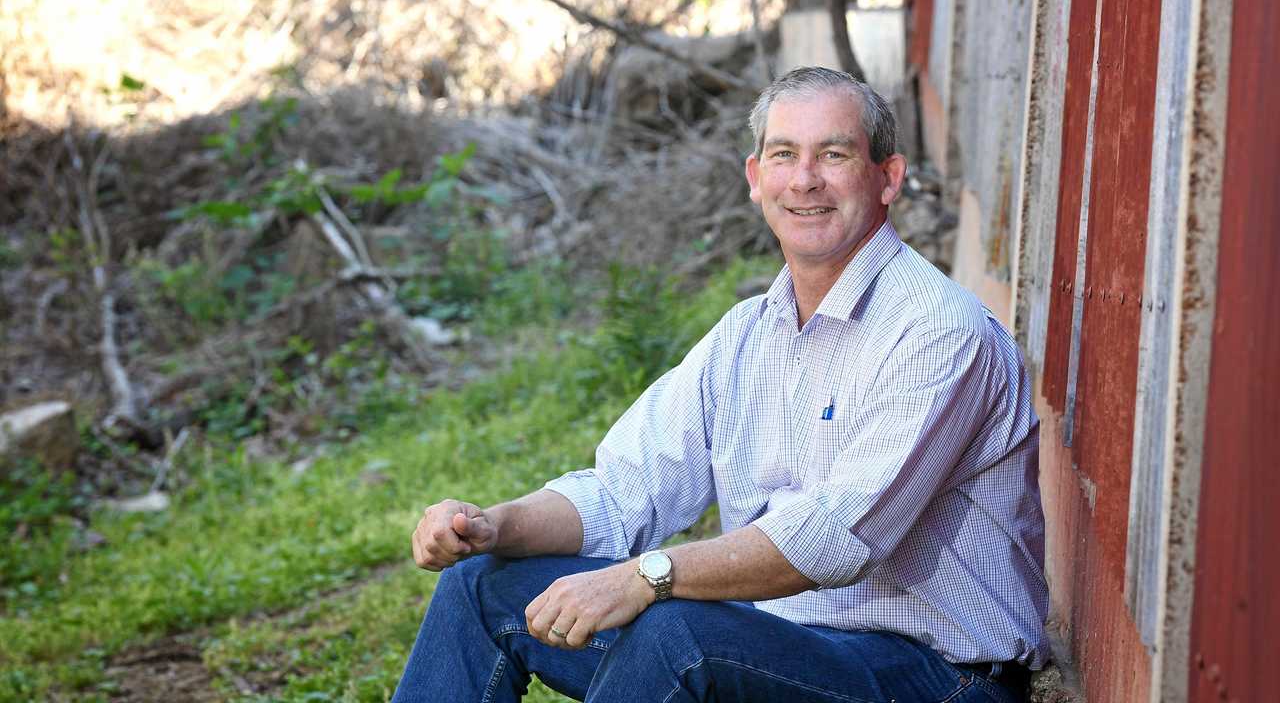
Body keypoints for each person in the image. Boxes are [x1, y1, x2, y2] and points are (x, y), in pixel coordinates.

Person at [391, 66, 1049, 703]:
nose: (806, 179)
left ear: (888, 178)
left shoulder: (940, 333)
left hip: (938, 676)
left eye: (835, 154)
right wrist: (494, 524)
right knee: (481, 586)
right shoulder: (747, 336)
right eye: (785, 155)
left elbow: (828, 543)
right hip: (781, 646)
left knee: (676, 632)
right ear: (756, 180)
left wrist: (650, 577)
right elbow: (620, 497)